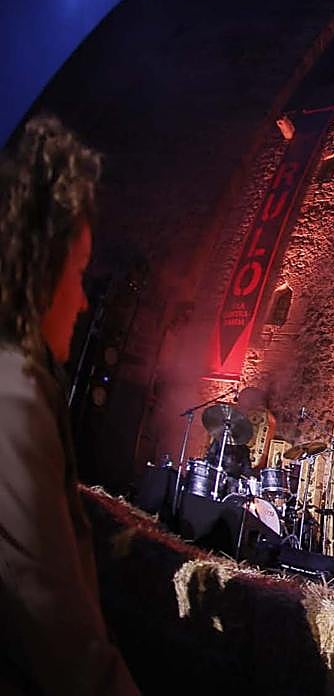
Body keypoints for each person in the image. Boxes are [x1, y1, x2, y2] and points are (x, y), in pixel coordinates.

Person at [0, 116, 139, 693]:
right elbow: (60, 634)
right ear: (40, 268)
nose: (83, 300)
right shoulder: (16, 397)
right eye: (79, 273)